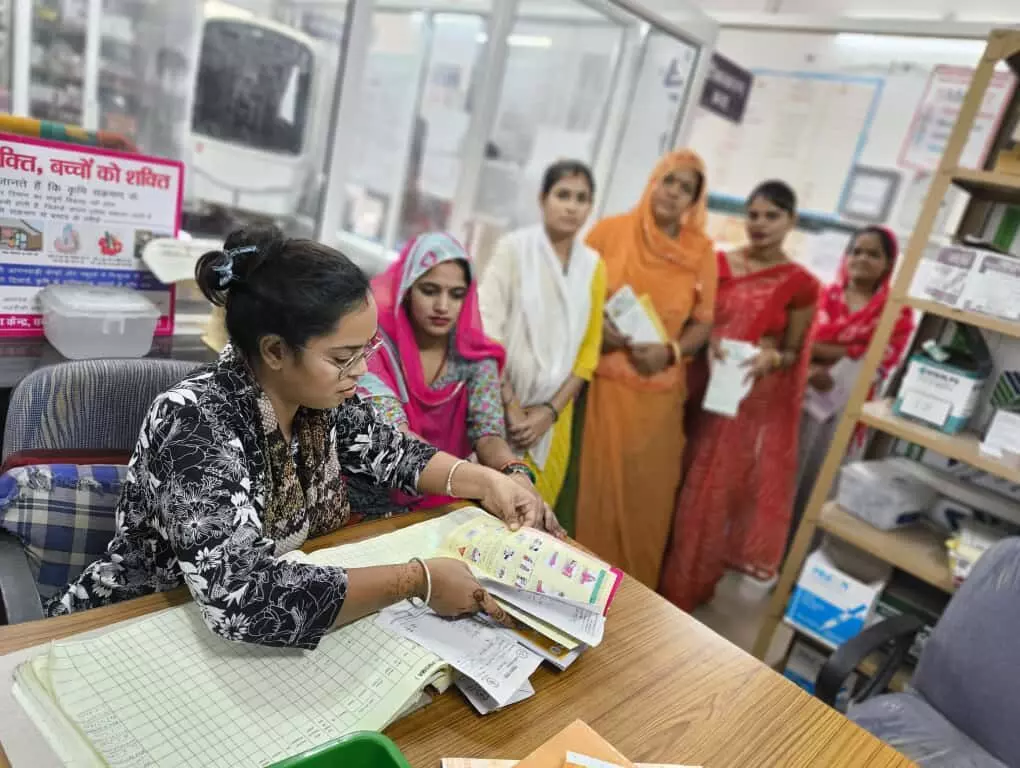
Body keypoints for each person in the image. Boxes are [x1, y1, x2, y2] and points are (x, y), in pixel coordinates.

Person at [46, 226, 552, 648]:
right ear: (274, 351)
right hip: (130, 627)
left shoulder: (320, 401)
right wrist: (416, 580)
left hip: (220, 633)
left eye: (365, 351)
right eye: (341, 357)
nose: (359, 371)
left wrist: (487, 482)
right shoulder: (194, 424)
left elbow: (391, 451)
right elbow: (242, 597)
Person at [661, 180, 820, 612]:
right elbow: (689, 317)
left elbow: (793, 350)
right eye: (753, 214)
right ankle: (641, 573)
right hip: (687, 385)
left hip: (736, 404)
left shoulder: (800, 284)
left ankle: (681, 593)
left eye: (772, 216)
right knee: (665, 481)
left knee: (705, 495)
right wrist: (704, 337)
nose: (760, 224)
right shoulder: (716, 264)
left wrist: (773, 358)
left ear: (791, 222)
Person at [573, 150, 717, 588]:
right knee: (591, 500)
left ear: (695, 199)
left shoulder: (701, 251)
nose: (674, 193)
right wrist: (600, 331)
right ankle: (578, 588)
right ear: (653, 180)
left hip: (658, 397)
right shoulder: (609, 232)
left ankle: (631, 600)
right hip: (602, 390)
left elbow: (704, 320)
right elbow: (574, 293)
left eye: (685, 188)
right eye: (668, 181)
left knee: (645, 504)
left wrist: (671, 351)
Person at [354, 232, 558, 529]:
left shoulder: (475, 356)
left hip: (448, 501)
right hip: (372, 504)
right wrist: (488, 482)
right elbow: (396, 437)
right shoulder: (375, 346)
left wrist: (515, 473)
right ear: (407, 289)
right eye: (430, 290)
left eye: (456, 294)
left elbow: (488, 434)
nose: (442, 305)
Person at [477, 160, 605, 523]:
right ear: (543, 199)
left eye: (582, 198)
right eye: (562, 194)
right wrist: (513, 407)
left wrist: (548, 413)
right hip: (499, 411)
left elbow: (588, 352)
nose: (571, 205)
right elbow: (488, 332)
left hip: (554, 420)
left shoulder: (594, 266)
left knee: (535, 523)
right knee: (493, 515)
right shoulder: (513, 250)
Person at [790, 226, 915, 549]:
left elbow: (882, 361)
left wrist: (831, 352)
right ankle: (768, 561)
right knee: (786, 478)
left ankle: (801, 560)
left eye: (873, 254)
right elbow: (798, 342)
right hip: (801, 399)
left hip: (849, 410)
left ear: (888, 264)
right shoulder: (821, 297)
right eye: (856, 251)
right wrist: (832, 358)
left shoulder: (896, 314)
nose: (862, 258)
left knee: (824, 484)